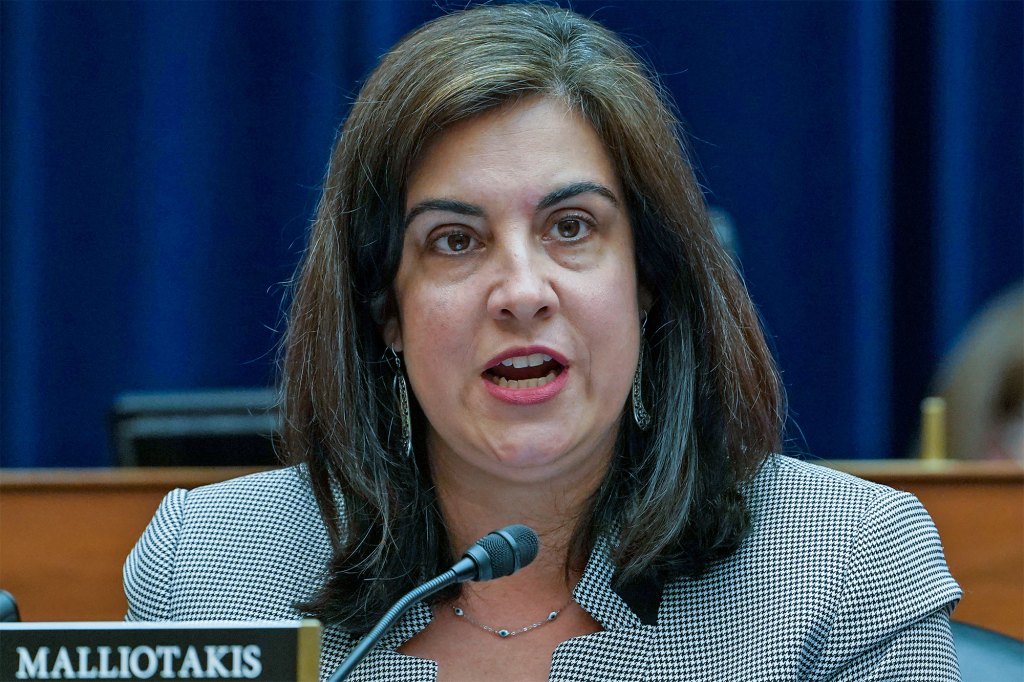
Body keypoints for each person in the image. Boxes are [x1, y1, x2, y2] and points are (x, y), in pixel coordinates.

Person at [124, 5, 962, 680]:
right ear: (386, 307)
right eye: (454, 240)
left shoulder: (841, 566)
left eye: (571, 227)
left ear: (647, 282)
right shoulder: (208, 569)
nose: (522, 291)